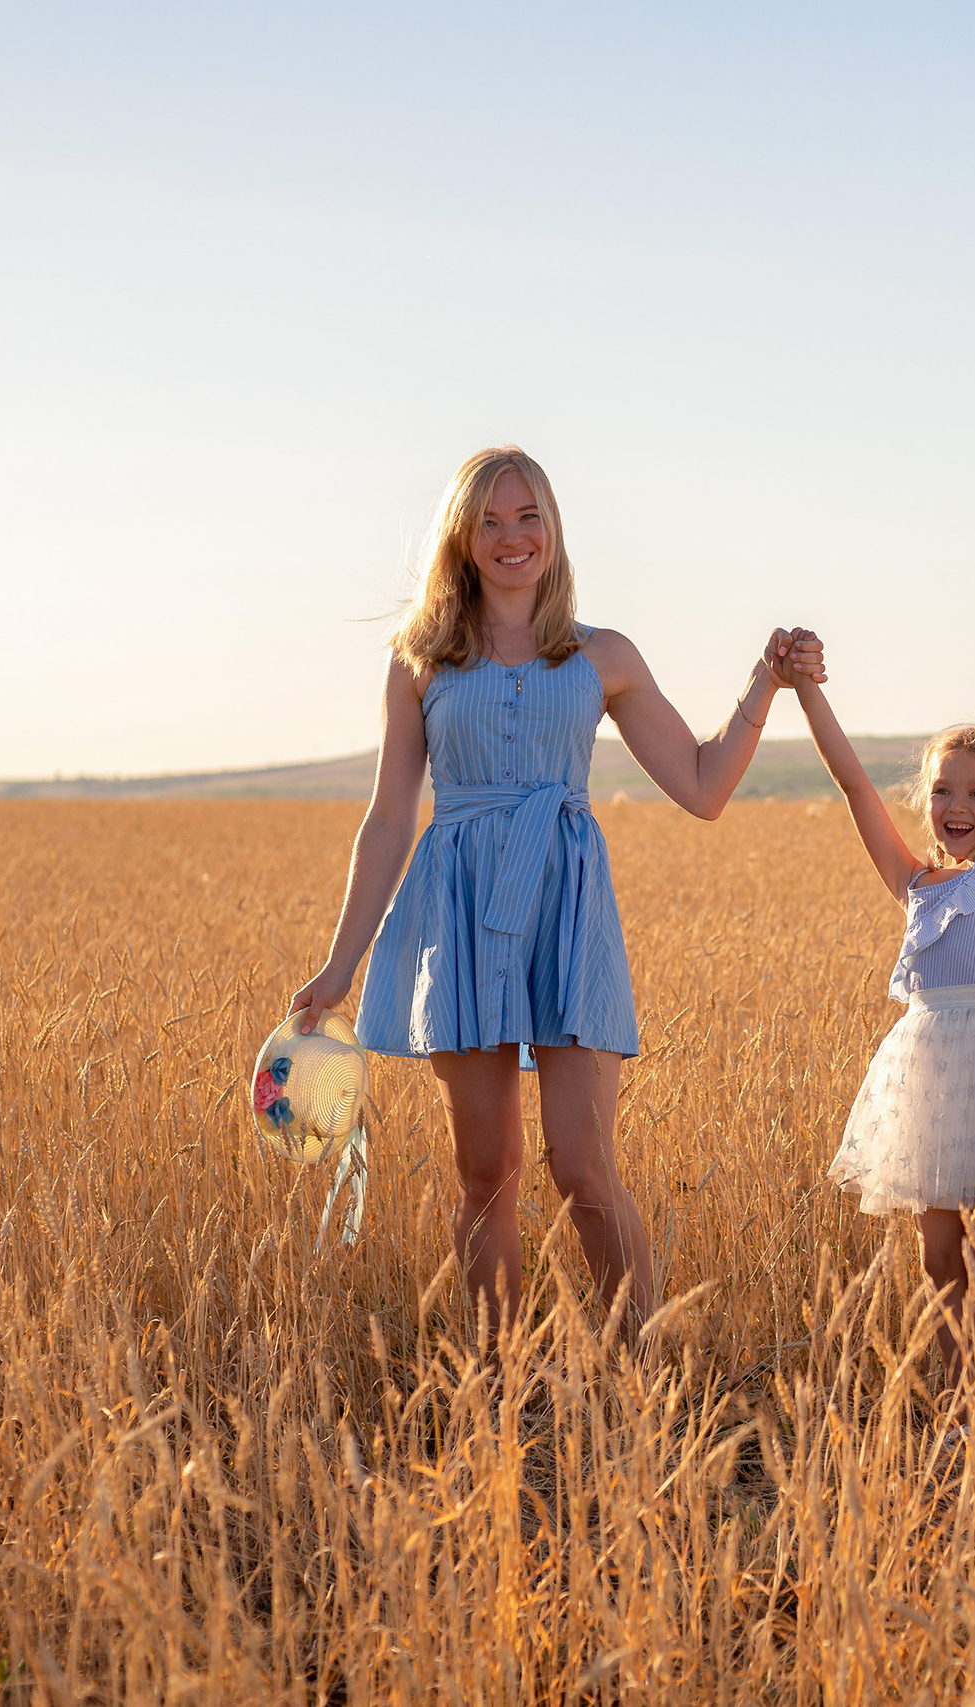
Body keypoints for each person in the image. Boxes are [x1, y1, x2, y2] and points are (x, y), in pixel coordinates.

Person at [288, 444, 823, 1333]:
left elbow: (702, 784)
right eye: (490, 522)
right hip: (458, 917)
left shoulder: (598, 654)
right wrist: (341, 963)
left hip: (567, 915)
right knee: (486, 1170)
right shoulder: (421, 660)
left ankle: (641, 1375)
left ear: (553, 529)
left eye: (528, 516)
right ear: (461, 539)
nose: (511, 538)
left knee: (582, 1162)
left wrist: (765, 680)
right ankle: (493, 1392)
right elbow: (389, 819)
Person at [789, 597, 975, 1382]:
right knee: (938, 1246)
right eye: (944, 791)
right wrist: (805, 686)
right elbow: (850, 782)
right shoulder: (917, 885)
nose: (957, 807)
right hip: (928, 1067)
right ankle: (957, 1391)